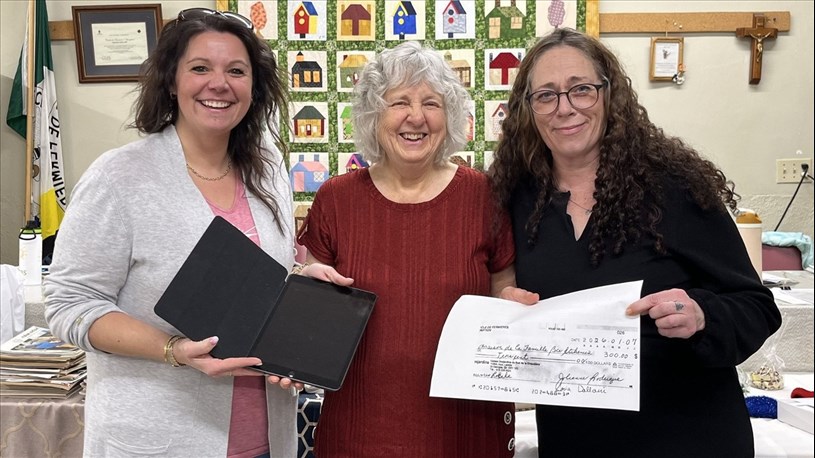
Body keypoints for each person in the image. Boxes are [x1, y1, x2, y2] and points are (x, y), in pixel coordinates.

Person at [488, 28, 782, 457]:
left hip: (687, 441)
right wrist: (502, 304)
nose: (564, 108)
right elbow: (496, 290)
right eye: (546, 95)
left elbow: (757, 308)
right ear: (527, 110)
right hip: (574, 442)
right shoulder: (515, 200)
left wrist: (702, 314)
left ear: (610, 95)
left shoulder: (674, 189)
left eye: (581, 89)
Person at [44, 8, 298, 457]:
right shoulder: (120, 177)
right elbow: (70, 304)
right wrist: (173, 349)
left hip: (265, 439)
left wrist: (303, 276)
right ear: (172, 82)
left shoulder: (268, 168)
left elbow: (261, 275)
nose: (218, 84)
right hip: (158, 438)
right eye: (200, 68)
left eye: (236, 71)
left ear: (254, 88)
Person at [295, 41, 538, 457]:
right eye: (399, 102)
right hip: (359, 429)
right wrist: (302, 295)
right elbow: (313, 311)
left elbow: (502, 288)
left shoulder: (485, 196)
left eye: (431, 103)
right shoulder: (336, 199)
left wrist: (514, 307)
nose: (416, 117)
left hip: (466, 428)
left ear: (450, 117)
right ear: (373, 115)